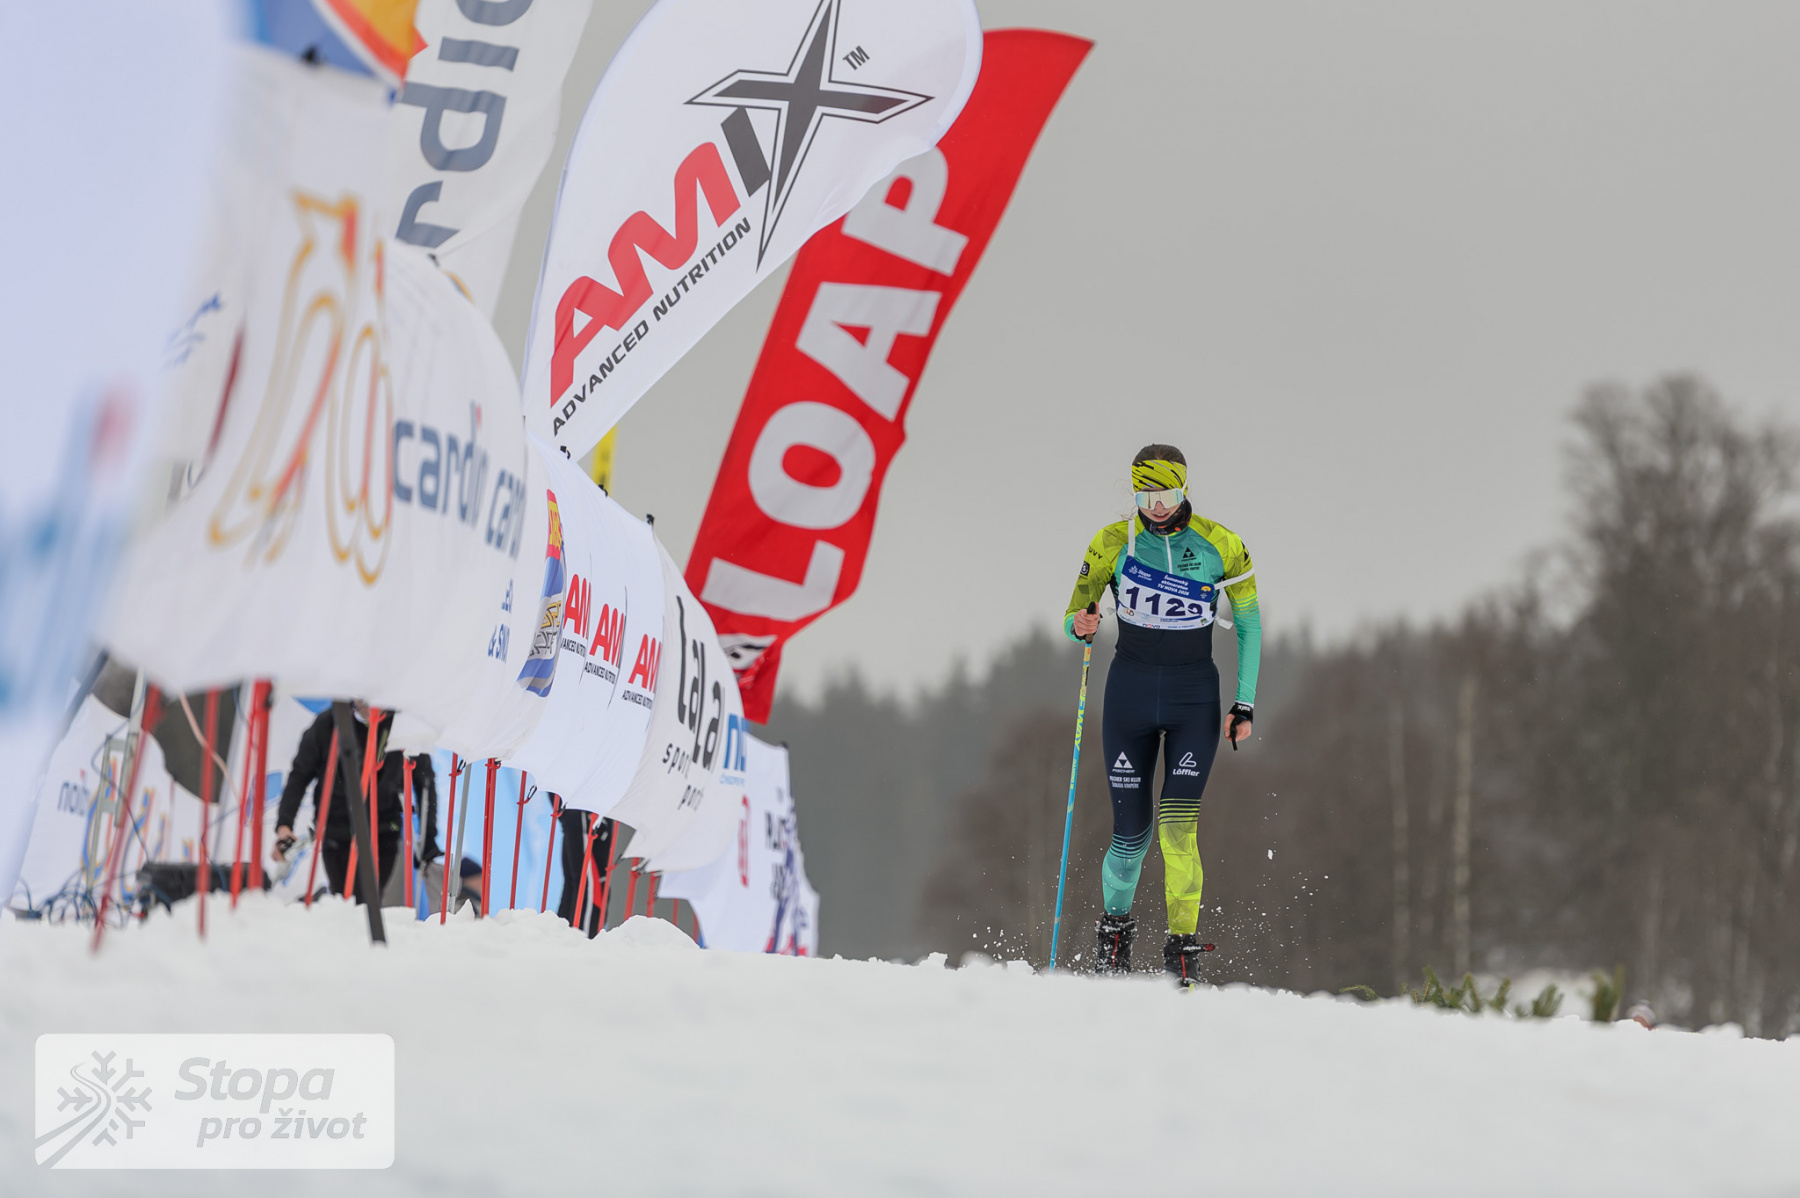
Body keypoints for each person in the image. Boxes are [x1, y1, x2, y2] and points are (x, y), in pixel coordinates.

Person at [1064, 444, 1261, 986]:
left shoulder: (1222, 545)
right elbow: (1075, 613)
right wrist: (1079, 625)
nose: (1155, 506)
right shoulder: (1111, 542)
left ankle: (1182, 951)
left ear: (1185, 488)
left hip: (1193, 700)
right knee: (1130, 836)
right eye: (1144, 496)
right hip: (1128, 698)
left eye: (1166, 494)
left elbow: (1249, 623)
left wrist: (1244, 701)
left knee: (1177, 830)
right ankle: (1114, 941)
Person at [272, 704, 437, 904]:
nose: (369, 705)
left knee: (368, 901)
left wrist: (429, 838)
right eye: (362, 699)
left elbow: (425, 782)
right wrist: (284, 825)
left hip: (383, 832)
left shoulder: (402, 725)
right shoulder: (329, 723)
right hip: (337, 832)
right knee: (344, 900)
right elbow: (299, 775)